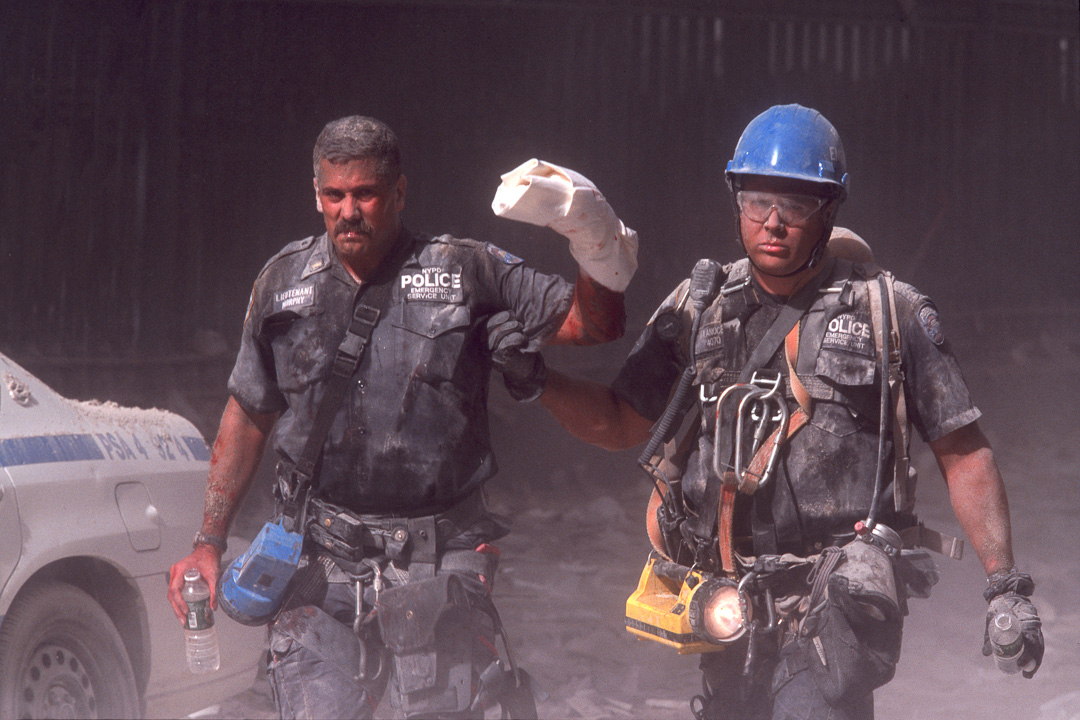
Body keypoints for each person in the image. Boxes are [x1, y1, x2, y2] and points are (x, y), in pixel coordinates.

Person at [490, 104, 1044, 719]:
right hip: (727, 600)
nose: (773, 222)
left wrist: (1004, 586)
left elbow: (961, 452)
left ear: (829, 210)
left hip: (837, 597)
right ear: (737, 203)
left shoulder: (890, 312)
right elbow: (623, 422)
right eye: (757, 202)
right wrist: (539, 381)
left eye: (796, 205)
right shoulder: (699, 307)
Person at [167, 115, 639, 719]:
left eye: (365, 194)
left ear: (399, 193)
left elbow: (595, 324)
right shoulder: (282, 283)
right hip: (319, 561)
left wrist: (588, 226)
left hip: (438, 561)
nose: (348, 211)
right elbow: (248, 413)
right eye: (334, 195)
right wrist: (208, 541)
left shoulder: (466, 270)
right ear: (316, 195)